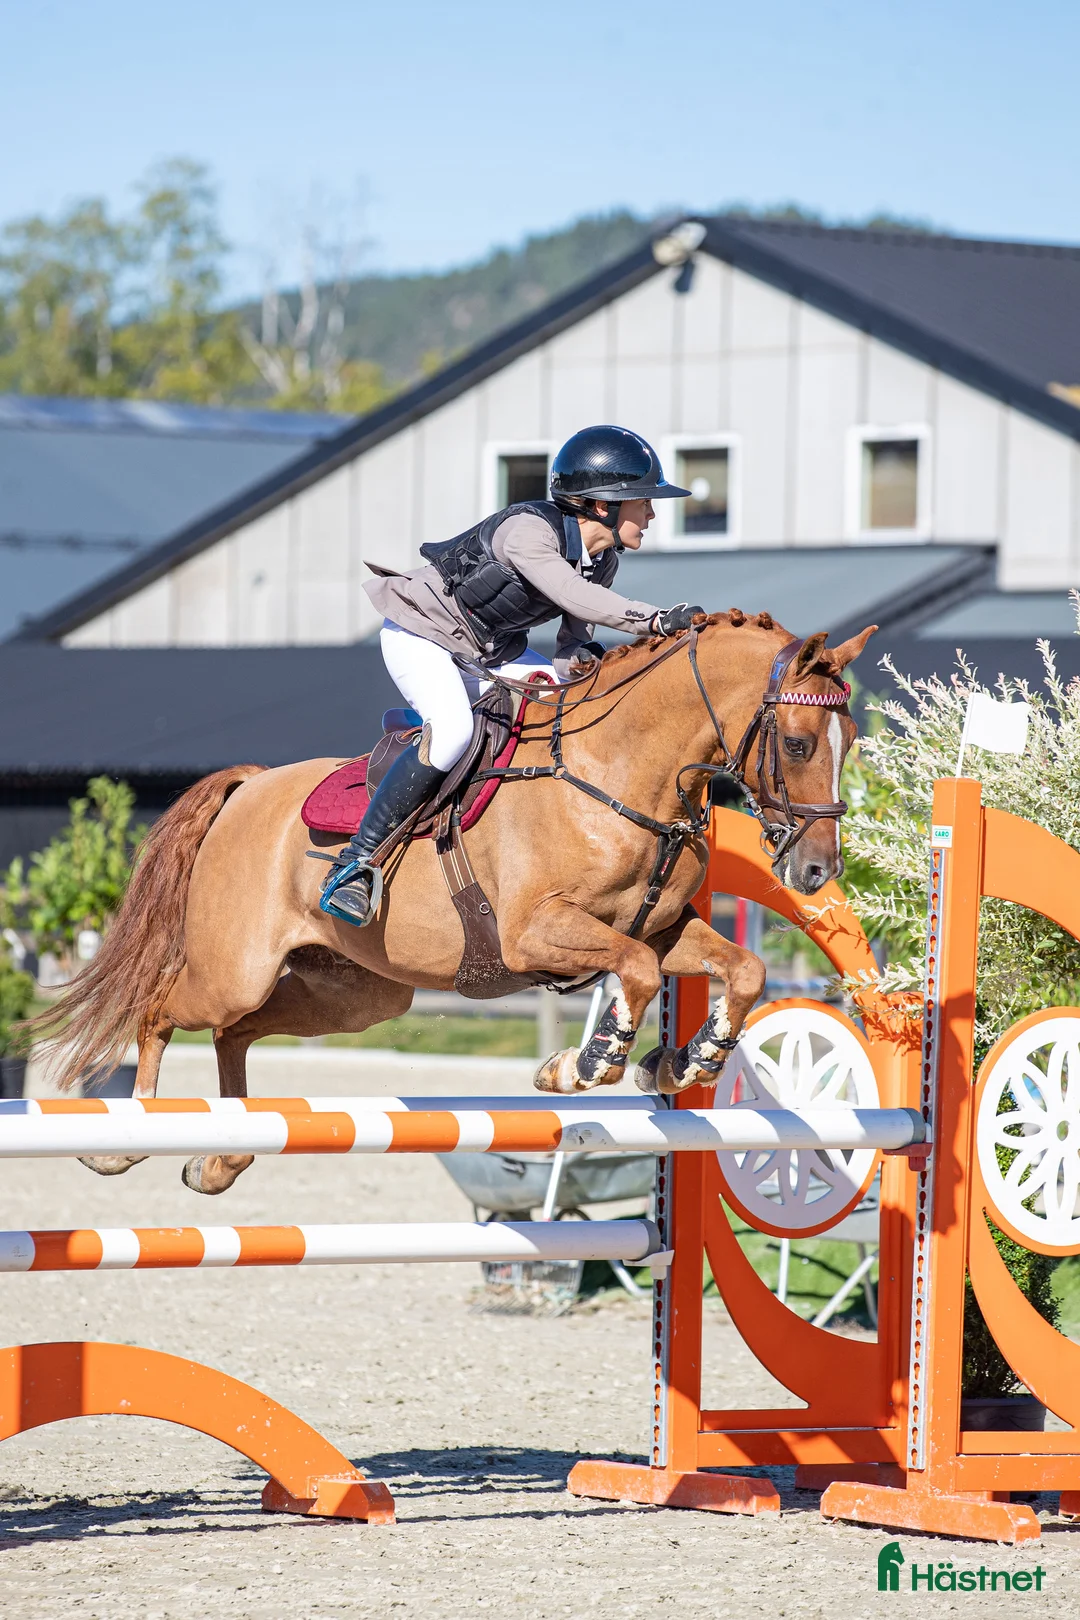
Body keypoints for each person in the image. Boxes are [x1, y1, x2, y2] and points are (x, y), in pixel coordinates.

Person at [320, 424, 705, 925]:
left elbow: (571, 645)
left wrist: (584, 664)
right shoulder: (527, 531)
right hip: (422, 637)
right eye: (643, 502)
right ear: (602, 504)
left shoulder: (601, 560)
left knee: (569, 707)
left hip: (488, 652)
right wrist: (654, 620)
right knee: (455, 729)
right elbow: (574, 595)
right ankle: (355, 863)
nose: (652, 514)